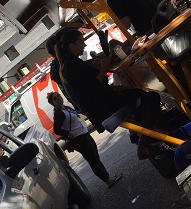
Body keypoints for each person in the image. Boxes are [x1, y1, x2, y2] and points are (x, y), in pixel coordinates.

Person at [55, 29, 164, 159]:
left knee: (139, 94)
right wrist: (103, 67)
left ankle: (151, 137)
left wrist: (107, 77)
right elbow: (94, 88)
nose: (84, 45)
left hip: (103, 104)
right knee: (150, 97)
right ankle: (144, 144)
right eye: (81, 42)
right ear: (71, 46)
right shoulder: (72, 66)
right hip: (105, 108)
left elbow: (91, 85)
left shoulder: (70, 64)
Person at [47, 92, 122, 188]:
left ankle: (107, 176)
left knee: (95, 157)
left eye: (58, 96)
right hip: (78, 139)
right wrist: (68, 133)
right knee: (93, 160)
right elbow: (56, 130)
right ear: (52, 103)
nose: (58, 98)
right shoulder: (58, 113)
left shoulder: (66, 108)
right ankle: (107, 180)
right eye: (55, 98)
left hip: (84, 133)